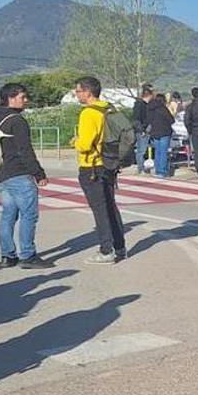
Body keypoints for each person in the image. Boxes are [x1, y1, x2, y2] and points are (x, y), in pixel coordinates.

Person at [0, 83, 53, 269]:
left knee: (8, 215)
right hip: (18, 173)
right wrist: (38, 173)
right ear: (10, 98)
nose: (26, 101)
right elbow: (25, 150)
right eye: (22, 97)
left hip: (1, 173)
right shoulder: (16, 121)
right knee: (29, 215)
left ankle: (7, 255)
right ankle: (27, 255)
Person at [72, 76, 127, 264]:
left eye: (78, 91)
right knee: (111, 207)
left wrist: (75, 142)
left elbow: (86, 144)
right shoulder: (108, 108)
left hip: (92, 166)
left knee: (99, 210)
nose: (76, 94)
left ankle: (106, 251)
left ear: (87, 92)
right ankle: (120, 247)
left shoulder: (88, 113)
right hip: (108, 163)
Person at [146, 93, 175, 178]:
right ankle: (162, 171)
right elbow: (171, 120)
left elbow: (148, 120)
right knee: (163, 152)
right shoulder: (163, 109)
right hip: (164, 132)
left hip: (154, 132)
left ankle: (157, 170)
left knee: (158, 152)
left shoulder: (150, 109)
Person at [132, 85, 153, 174]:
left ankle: (141, 167)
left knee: (141, 150)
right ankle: (140, 168)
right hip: (142, 130)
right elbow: (137, 119)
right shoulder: (140, 105)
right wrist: (142, 130)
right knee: (141, 150)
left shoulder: (141, 104)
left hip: (142, 129)